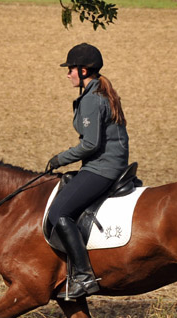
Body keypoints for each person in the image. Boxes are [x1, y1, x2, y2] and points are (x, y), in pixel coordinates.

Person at [46, 43, 129, 300]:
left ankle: (83, 275)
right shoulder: (101, 93)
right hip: (108, 165)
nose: (67, 74)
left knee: (59, 213)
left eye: (70, 69)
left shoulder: (92, 99)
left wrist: (60, 159)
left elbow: (90, 144)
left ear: (83, 71)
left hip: (102, 168)